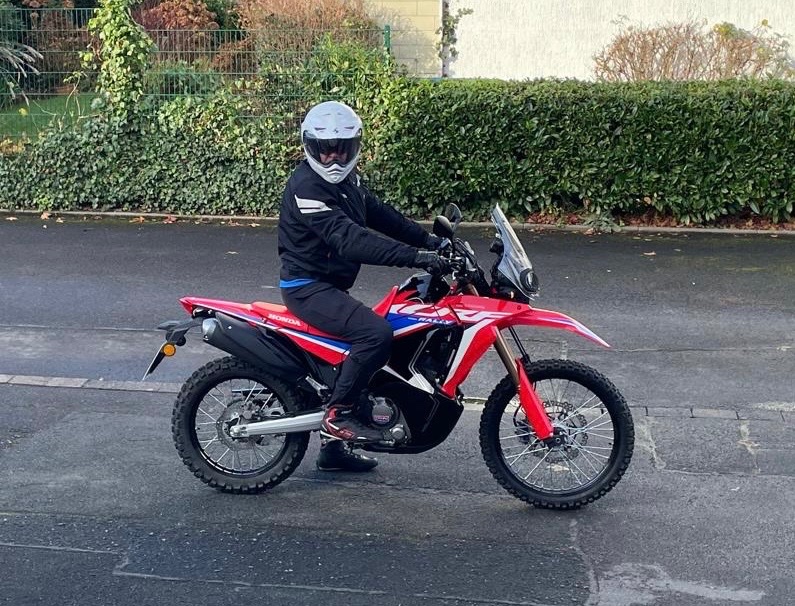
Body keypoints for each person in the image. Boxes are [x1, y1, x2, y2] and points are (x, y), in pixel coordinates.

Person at [278, 100, 448, 472]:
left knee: (387, 331)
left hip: (328, 286)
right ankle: (338, 415)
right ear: (310, 147)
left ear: (354, 146)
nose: (334, 157)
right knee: (375, 334)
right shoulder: (307, 188)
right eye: (326, 149)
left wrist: (430, 242)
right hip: (308, 288)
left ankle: (333, 452)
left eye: (342, 148)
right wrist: (417, 257)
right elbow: (351, 240)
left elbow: (380, 215)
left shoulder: (348, 182)